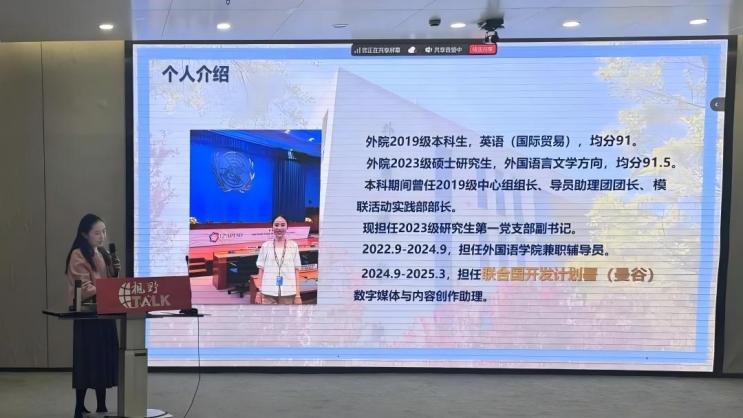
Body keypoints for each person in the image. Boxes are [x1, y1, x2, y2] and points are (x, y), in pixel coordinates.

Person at [65, 213, 120, 418]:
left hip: (105, 310)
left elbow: (108, 280)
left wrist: (114, 272)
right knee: (87, 361)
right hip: (87, 314)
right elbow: (85, 287)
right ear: (84, 234)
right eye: (97, 233)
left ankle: (102, 406)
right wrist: (108, 287)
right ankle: (79, 406)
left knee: (102, 361)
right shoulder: (78, 254)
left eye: (104, 232)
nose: (102, 236)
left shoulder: (103, 252)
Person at [256, 215, 302, 304]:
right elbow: (261, 271)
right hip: (268, 292)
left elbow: (296, 272)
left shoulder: (293, 246)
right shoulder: (265, 246)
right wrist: (258, 292)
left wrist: (298, 295)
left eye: (282, 225)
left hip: (288, 292)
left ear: (287, 227)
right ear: (272, 227)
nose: (279, 228)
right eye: (276, 225)